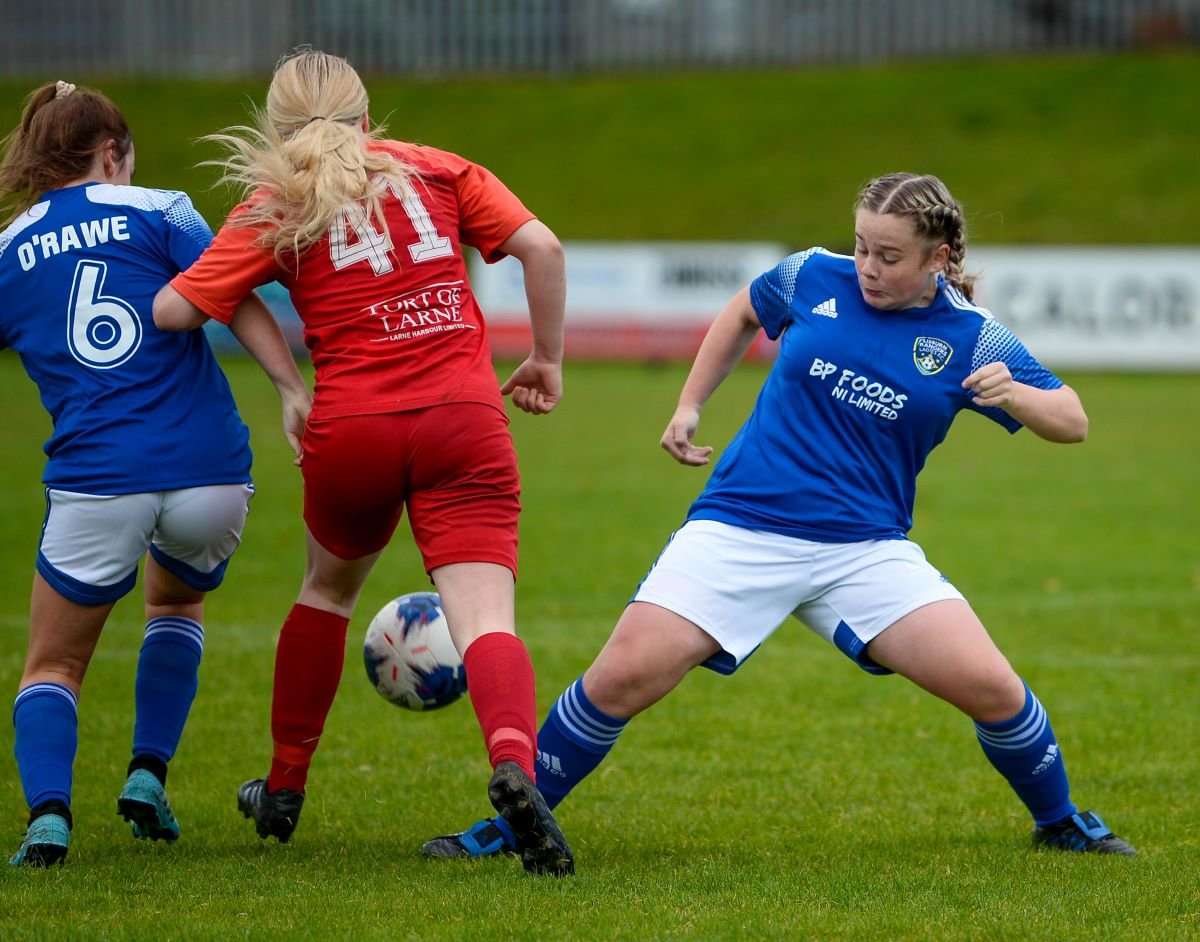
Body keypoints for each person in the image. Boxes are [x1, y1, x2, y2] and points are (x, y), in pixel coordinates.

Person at [421, 171, 1137, 861]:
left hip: (864, 549)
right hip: (740, 527)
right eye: (861, 246)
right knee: (622, 677)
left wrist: (1014, 395)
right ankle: (511, 828)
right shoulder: (810, 275)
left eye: (888, 256)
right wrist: (689, 405)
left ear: (939, 258)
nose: (866, 266)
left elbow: (1071, 420)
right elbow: (740, 313)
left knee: (995, 690)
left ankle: (1061, 822)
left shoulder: (974, 337)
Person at [152, 49, 573, 876]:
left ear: (276, 130)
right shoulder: (440, 169)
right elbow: (544, 249)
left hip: (352, 428)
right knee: (486, 616)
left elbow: (178, 308)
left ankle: (282, 785)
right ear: (367, 116)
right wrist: (548, 360)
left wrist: (285, 380)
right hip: (463, 417)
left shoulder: (273, 203)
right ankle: (516, 768)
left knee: (327, 592)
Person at [0, 81, 309, 867]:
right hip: (210, 472)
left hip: (97, 480)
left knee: (54, 665)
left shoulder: (8, 251)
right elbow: (230, 295)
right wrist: (290, 388)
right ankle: (147, 772)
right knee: (176, 607)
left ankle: (48, 820)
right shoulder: (164, 209)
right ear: (113, 153)